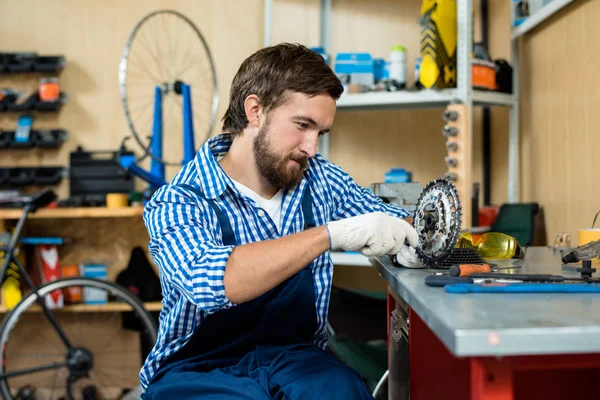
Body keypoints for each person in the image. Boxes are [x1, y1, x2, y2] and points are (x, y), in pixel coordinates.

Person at [140, 43, 423, 399]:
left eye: (319, 132)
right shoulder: (178, 201)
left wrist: (416, 232)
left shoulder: (320, 179)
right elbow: (216, 282)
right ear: (255, 110)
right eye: (302, 125)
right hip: (198, 369)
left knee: (341, 391)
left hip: (295, 359)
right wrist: (328, 235)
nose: (311, 148)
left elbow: (395, 220)